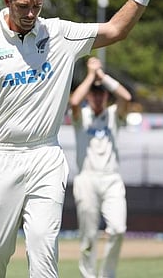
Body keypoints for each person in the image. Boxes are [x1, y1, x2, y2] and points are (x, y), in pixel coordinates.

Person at [0, 0, 159, 277]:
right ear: (7, 1)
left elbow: (116, 29)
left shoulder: (60, 33)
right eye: (23, 7)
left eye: (37, 7)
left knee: (44, 250)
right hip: (0, 156)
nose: (31, 14)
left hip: (47, 156)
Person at [69, 57, 132, 278]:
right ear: (89, 95)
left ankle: (107, 275)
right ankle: (88, 275)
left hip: (112, 179)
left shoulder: (114, 115)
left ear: (106, 95)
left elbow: (126, 97)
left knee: (118, 229)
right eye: (94, 93)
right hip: (86, 179)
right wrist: (90, 76)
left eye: (101, 92)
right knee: (88, 236)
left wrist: (102, 75)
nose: (97, 96)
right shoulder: (81, 116)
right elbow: (74, 102)